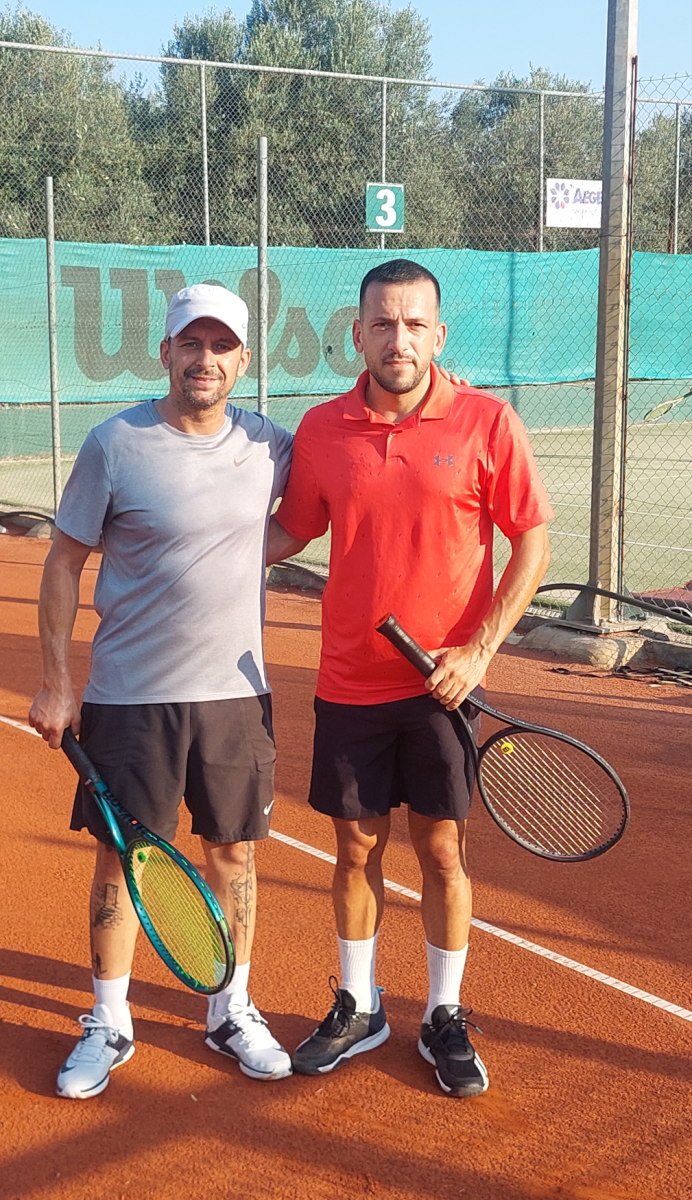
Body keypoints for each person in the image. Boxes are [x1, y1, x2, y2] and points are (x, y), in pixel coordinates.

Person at [267, 258, 553, 1098]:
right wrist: (183, 555)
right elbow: (289, 531)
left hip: (443, 687)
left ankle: (442, 1014)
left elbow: (531, 542)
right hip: (349, 681)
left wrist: (480, 650)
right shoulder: (322, 429)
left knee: (440, 851)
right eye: (383, 324)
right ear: (356, 335)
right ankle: (359, 1006)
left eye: (414, 324)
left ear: (438, 334)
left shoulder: (486, 421)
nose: (399, 339)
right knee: (354, 847)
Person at [29, 283, 294, 1098]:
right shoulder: (114, 444)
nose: (204, 359)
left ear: (243, 361)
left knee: (234, 851)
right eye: (191, 343)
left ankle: (230, 1009)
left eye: (221, 347)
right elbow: (63, 564)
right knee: (123, 857)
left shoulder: (271, 445)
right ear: (166, 353)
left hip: (234, 695)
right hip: (130, 695)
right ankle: (109, 1021)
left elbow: (330, 489)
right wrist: (57, 683)